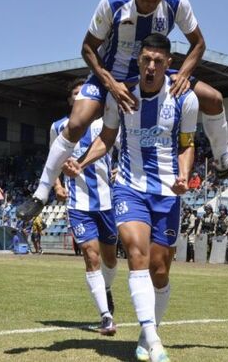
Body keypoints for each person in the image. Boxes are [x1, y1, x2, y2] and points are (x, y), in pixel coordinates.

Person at [17, 0, 228, 221]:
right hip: (109, 76)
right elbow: (88, 49)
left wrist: (182, 74)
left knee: (214, 98)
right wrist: (111, 84)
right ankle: (40, 194)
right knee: (77, 122)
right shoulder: (113, 3)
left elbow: (199, 44)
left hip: (151, 70)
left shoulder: (177, 4)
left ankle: (224, 162)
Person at [63, 34, 196, 362]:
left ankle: (147, 332)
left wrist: (183, 175)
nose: (151, 66)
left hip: (167, 193)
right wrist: (80, 162)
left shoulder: (184, 99)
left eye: (158, 61)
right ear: (138, 60)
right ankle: (154, 341)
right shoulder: (120, 95)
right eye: (146, 59)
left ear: (168, 65)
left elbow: (187, 143)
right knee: (136, 252)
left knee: (159, 269)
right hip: (129, 187)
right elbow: (107, 138)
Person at [52, 78, 119, 336]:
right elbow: (53, 159)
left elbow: (127, 153)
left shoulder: (106, 125)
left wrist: (119, 171)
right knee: (91, 256)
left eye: (85, 93)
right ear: (71, 101)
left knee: (110, 259)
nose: (81, 97)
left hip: (107, 202)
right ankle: (105, 316)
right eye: (76, 94)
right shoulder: (58, 127)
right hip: (78, 203)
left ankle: (107, 289)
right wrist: (57, 185)